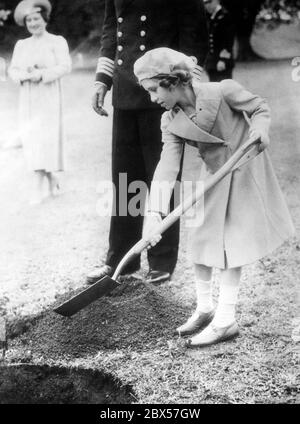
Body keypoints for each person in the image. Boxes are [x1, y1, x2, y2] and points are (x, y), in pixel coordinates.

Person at [134, 47, 295, 347]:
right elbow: (167, 165)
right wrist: (154, 212)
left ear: (172, 81)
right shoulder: (170, 121)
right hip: (214, 174)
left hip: (245, 165)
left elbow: (259, 107)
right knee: (202, 236)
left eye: (154, 90)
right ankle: (205, 307)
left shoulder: (222, 91)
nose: (153, 98)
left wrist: (259, 130)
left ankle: (225, 319)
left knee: (232, 242)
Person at [87, 0, 209, 285]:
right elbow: (111, 29)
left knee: (162, 174)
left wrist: (186, 86)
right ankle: (121, 259)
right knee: (124, 177)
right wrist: (102, 80)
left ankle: (161, 259)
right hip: (126, 89)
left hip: (163, 90)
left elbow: (194, 33)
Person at [9, 0, 72, 204]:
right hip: (28, 98)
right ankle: (49, 181)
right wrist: (23, 76)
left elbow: (65, 66)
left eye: (36, 18)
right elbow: (13, 70)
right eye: (29, 20)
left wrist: (42, 74)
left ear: (44, 19)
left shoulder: (57, 41)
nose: (33, 23)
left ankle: (43, 183)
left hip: (49, 96)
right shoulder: (22, 45)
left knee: (47, 139)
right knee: (32, 138)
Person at [204, 0, 235, 82]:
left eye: (209, 2)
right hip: (212, 63)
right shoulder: (209, 17)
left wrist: (223, 60)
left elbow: (228, 41)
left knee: (225, 90)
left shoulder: (225, 16)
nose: (207, 6)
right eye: (205, 3)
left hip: (222, 62)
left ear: (216, 1)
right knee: (214, 91)